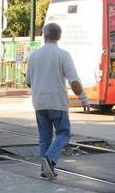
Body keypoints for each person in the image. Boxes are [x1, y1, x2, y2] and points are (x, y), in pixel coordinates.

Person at [25, 22, 90, 179]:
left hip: (39, 103)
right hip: (57, 103)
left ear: (44, 36)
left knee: (44, 137)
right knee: (64, 133)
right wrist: (84, 99)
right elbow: (73, 81)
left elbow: (28, 82)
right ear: (59, 37)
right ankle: (50, 158)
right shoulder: (63, 55)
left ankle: (45, 170)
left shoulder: (33, 56)